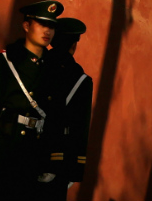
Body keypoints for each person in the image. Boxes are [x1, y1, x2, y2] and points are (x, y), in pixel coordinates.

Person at [0, 0, 66, 201]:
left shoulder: (54, 70)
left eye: (52, 26)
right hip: (3, 148)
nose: (48, 31)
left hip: (34, 153)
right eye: (42, 24)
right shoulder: (4, 61)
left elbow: (56, 119)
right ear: (26, 26)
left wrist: (52, 161)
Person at [42, 17, 93, 200]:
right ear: (73, 44)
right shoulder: (82, 81)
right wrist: (75, 170)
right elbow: (80, 128)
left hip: (25, 148)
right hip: (59, 158)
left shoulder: (37, 64)